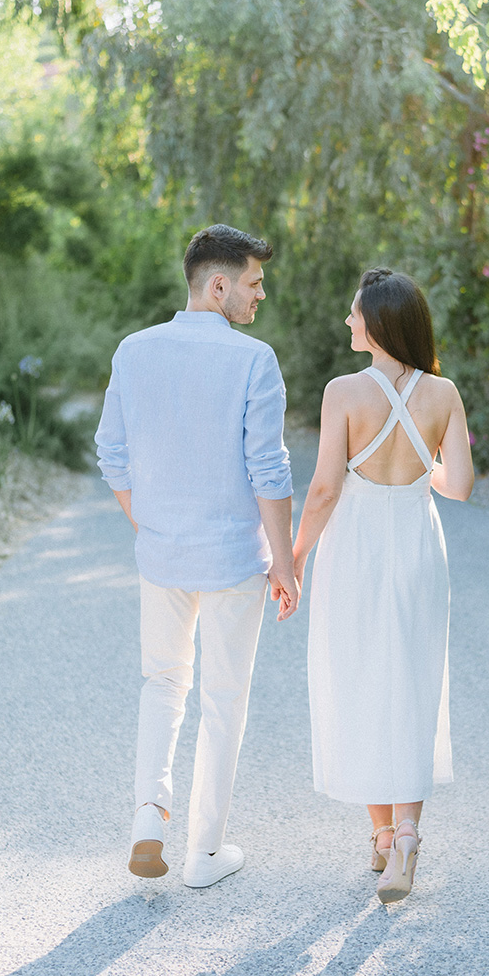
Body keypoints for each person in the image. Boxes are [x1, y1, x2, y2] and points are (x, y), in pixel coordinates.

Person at [95, 223, 299, 889]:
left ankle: (149, 817)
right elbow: (267, 471)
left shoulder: (134, 351)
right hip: (234, 560)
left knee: (162, 684)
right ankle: (204, 853)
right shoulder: (252, 361)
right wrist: (285, 561)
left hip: (163, 556)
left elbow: (112, 454)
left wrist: (149, 523)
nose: (259, 294)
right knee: (223, 698)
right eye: (253, 281)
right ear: (218, 286)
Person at [293, 268, 474, 904]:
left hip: (356, 550)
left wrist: (292, 557)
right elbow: (459, 486)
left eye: (354, 314)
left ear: (378, 323)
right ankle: (404, 841)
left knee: (359, 680)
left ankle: (380, 834)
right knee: (414, 685)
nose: (348, 322)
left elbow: (322, 490)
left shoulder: (344, 391)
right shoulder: (444, 392)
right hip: (420, 546)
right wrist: (420, 463)